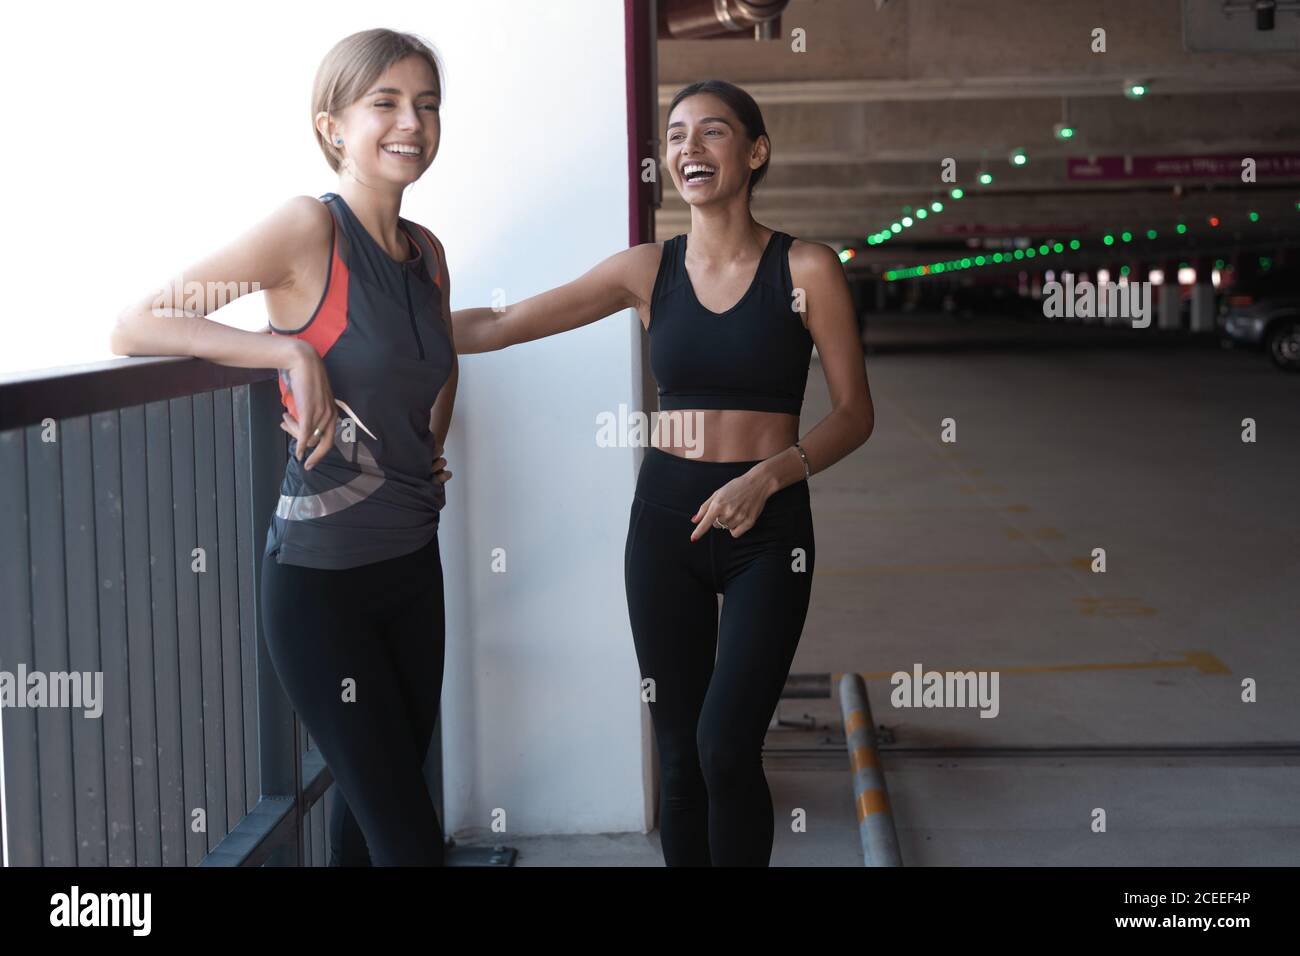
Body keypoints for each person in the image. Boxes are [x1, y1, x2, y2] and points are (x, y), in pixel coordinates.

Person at [452, 79, 875, 866]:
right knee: (679, 756)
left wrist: (771, 475)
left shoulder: (806, 268)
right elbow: (507, 324)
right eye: (677, 135)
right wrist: (386, 335)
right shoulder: (649, 271)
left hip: (768, 529)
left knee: (724, 745)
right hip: (665, 526)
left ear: (755, 152)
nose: (689, 148)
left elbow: (855, 413)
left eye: (712, 133)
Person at [110, 28, 455, 866]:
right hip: (320, 585)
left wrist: (422, 449)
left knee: (367, 823)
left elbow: (434, 371)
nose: (411, 121)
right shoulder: (308, 229)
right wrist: (285, 349)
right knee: (410, 840)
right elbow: (136, 323)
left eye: (428, 105)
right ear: (333, 125)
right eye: (386, 103)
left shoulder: (429, 254)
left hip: (415, 569)